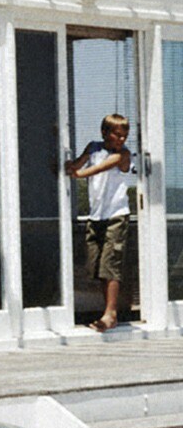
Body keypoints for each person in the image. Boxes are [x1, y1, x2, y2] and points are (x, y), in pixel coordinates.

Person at [65, 113, 133, 332]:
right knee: (98, 266)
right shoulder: (94, 147)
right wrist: (70, 166)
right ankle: (109, 310)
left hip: (116, 215)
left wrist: (78, 173)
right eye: (117, 135)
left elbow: (99, 168)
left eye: (125, 136)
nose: (121, 139)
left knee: (110, 265)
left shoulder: (122, 155)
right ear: (105, 133)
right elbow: (78, 163)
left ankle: (110, 313)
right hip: (96, 216)